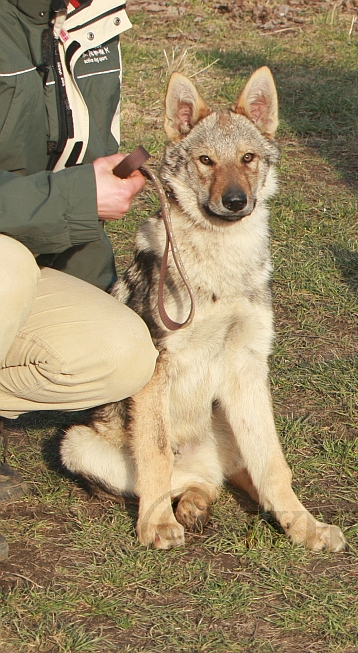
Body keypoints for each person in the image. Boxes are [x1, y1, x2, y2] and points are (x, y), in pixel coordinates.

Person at [0, 0, 158, 559]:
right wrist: (75, 195)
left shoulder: (90, 15)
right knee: (7, 267)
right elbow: (69, 193)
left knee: (121, 352)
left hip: (23, 246)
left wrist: (107, 301)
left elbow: (81, 166)